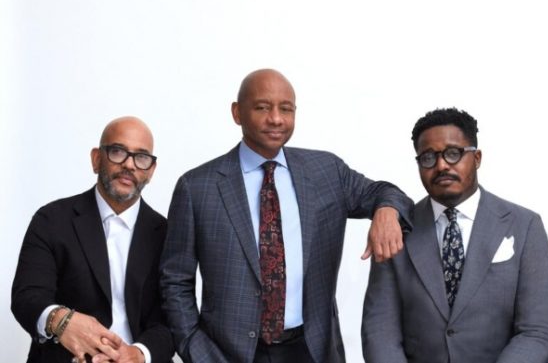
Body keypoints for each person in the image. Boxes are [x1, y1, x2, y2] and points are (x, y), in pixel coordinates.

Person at [159, 68, 413, 363]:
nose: (276, 119)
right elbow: (175, 281)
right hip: (227, 353)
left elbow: (386, 192)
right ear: (237, 113)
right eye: (262, 107)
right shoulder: (197, 187)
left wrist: (386, 211)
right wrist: (198, 353)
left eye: (286, 109)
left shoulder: (326, 171)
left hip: (312, 350)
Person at [362, 107, 548, 363]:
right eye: (428, 157)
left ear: (476, 158)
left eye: (453, 153)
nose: (441, 165)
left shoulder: (524, 225)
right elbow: (379, 331)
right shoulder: (396, 230)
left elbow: (539, 329)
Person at [11, 117, 174, 363]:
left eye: (141, 157)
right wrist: (62, 320)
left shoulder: (167, 233)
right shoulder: (51, 220)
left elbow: (173, 318)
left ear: (151, 170)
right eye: (117, 151)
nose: (129, 164)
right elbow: (27, 297)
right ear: (96, 159)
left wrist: (140, 353)